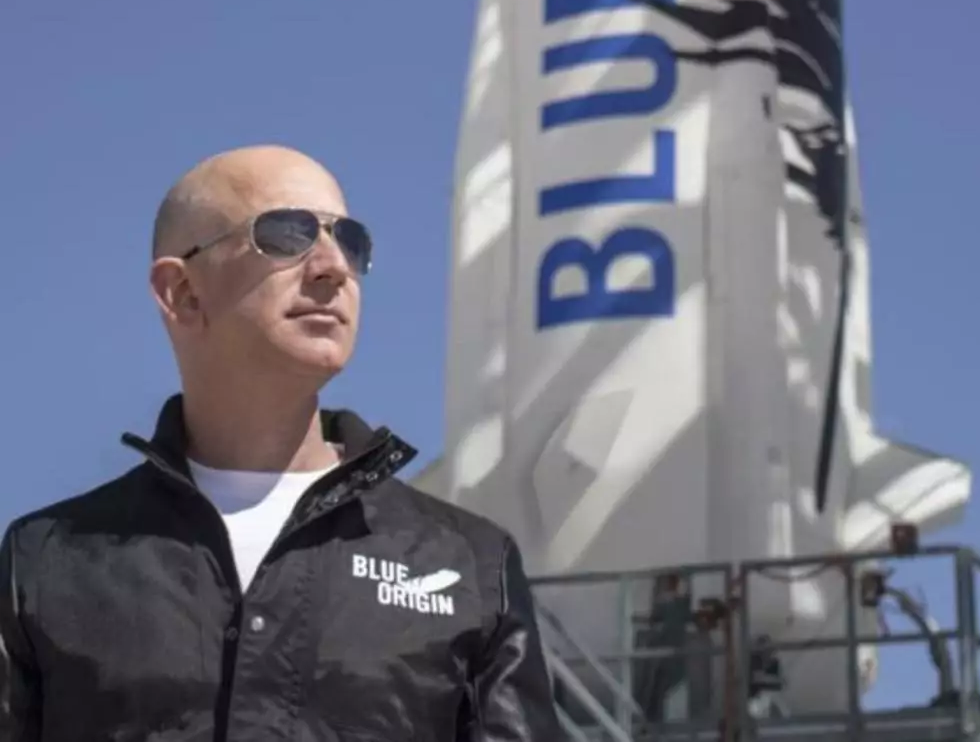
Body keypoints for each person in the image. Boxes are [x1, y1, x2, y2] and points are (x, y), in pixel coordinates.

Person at [0, 146, 564, 741]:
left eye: (349, 240)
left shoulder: (468, 565)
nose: (333, 266)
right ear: (182, 292)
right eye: (287, 234)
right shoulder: (45, 564)